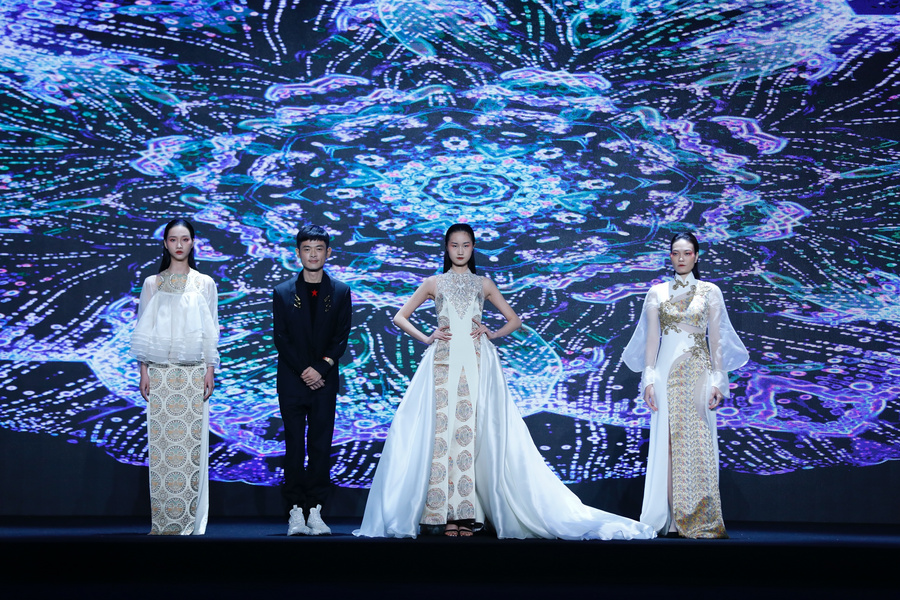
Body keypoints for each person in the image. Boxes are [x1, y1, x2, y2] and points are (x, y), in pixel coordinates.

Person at [355, 223, 655, 540]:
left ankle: (467, 514)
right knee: (443, 434)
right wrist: (427, 337)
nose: (460, 250)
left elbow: (514, 320)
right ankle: (445, 514)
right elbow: (400, 316)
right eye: (455, 245)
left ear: (473, 248)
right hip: (443, 363)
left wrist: (493, 333)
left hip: (477, 362)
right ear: (446, 248)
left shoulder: (483, 283)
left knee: (473, 435)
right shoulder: (434, 283)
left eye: (466, 245)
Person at [623, 232, 749, 538]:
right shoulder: (657, 292)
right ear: (670, 256)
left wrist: (719, 380)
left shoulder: (710, 291)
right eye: (676, 253)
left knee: (699, 443)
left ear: (696, 256)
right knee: (667, 442)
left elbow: (716, 340)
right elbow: (652, 340)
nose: (681, 258)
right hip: (665, 373)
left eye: (687, 253)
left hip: (699, 373)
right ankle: (672, 518)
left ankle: (699, 516)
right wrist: (648, 379)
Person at [130, 218, 219, 535]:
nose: (179, 245)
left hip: (194, 374)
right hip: (160, 374)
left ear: (193, 243)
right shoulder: (152, 284)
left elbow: (212, 331)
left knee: (192, 448)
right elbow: (143, 328)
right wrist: (143, 371)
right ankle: (164, 520)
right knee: (162, 447)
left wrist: (210, 370)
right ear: (165, 243)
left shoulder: (205, 283)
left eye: (184, 239)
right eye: (173, 239)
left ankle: (189, 520)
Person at [272, 224, 352, 536]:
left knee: (320, 445)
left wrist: (321, 368)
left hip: (324, 381)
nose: (313, 254)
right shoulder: (283, 292)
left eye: (319, 249)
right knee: (294, 446)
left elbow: (341, 336)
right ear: (298, 253)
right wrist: (306, 370)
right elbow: (281, 338)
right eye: (307, 249)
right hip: (292, 381)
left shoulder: (341, 291)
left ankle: (316, 510)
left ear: (328, 252)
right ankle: (295, 510)